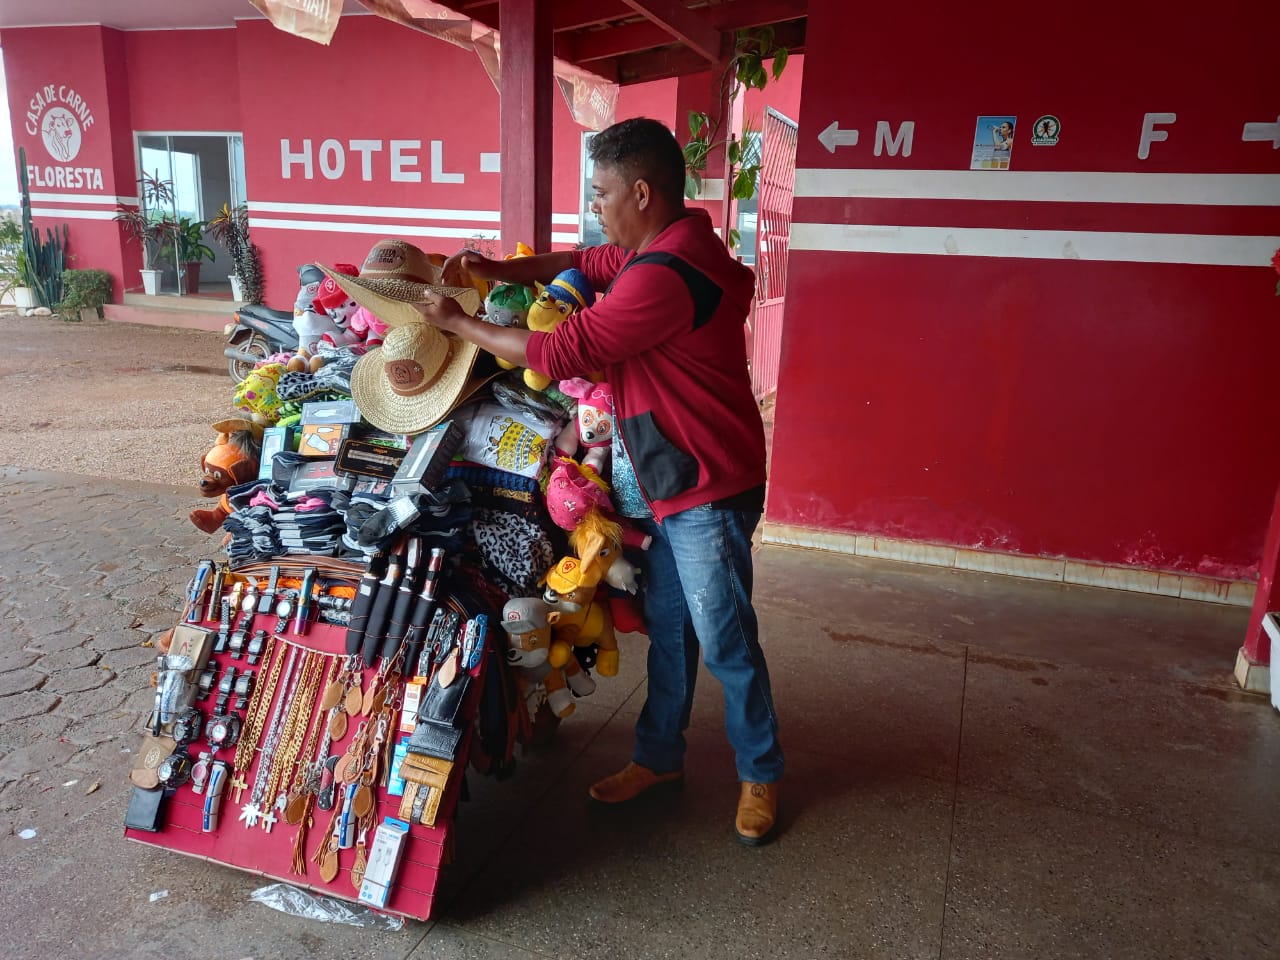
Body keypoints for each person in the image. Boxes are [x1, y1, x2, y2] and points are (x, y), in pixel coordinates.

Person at [417, 117, 784, 845]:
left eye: (601, 192)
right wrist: (501, 272)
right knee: (673, 631)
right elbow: (586, 259)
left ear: (641, 193)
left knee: (724, 635)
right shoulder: (668, 243)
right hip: (669, 470)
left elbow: (558, 350)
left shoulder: (665, 277)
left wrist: (461, 322)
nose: (595, 206)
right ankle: (659, 759)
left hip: (704, 484)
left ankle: (762, 773)